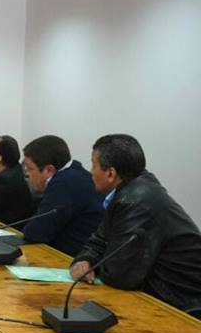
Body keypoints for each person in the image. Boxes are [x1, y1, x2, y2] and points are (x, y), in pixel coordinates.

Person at [69, 134, 201, 313]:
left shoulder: (136, 201)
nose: (91, 172)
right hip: (161, 298)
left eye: (93, 165)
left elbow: (120, 275)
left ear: (110, 174)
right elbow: (98, 241)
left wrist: (93, 266)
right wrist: (85, 259)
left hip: (184, 307)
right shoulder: (126, 192)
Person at [21, 135, 103, 256]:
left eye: (29, 168)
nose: (27, 174)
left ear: (49, 170)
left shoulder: (65, 182)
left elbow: (37, 233)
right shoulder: (74, 172)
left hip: (73, 259)